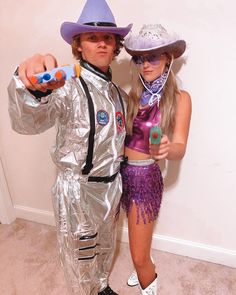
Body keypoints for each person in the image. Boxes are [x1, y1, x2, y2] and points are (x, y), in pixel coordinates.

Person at [7, 0, 132, 294]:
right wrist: (31, 87)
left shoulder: (119, 96)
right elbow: (28, 122)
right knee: (80, 253)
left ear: (116, 46)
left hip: (111, 186)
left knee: (105, 244)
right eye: (92, 37)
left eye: (108, 38)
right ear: (79, 45)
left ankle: (100, 285)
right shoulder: (66, 84)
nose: (101, 44)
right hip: (78, 190)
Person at [120, 24, 192, 295]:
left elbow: (181, 147)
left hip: (144, 178)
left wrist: (167, 149)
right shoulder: (132, 97)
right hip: (120, 175)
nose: (145, 64)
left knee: (136, 255)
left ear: (168, 58)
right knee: (135, 237)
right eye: (139, 58)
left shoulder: (180, 98)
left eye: (152, 57)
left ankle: (147, 278)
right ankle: (146, 261)